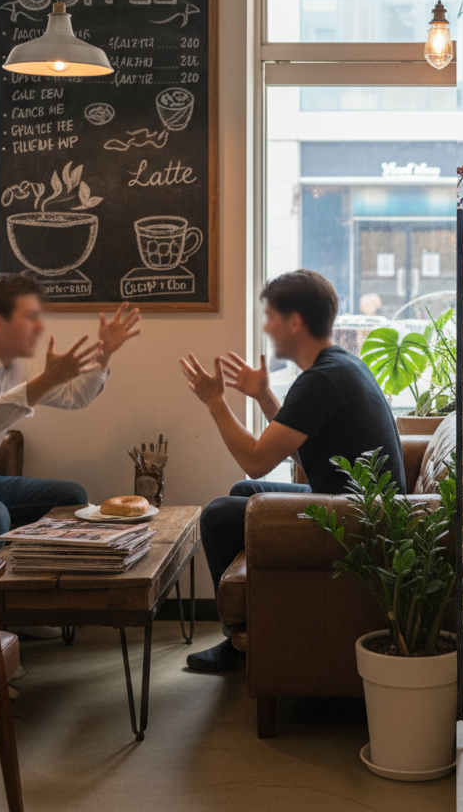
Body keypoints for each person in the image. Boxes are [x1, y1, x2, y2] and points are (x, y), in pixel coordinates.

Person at [180, 268, 405, 671]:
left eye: (271, 316)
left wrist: (215, 400)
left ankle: (239, 643)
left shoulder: (320, 380)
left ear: (295, 321)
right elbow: (307, 452)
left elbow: (255, 460)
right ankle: (250, 631)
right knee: (242, 493)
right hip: (358, 508)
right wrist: (265, 395)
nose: (266, 326)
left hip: (354, 522)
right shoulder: (339, 367)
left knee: (216, 515)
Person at [0, 274, 141, 628]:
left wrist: (105, 350)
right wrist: (46, 379)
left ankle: (35, 612)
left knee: (70, 496)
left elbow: (74, 396)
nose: (39, 326)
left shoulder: (16, 365)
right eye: (30, 317)